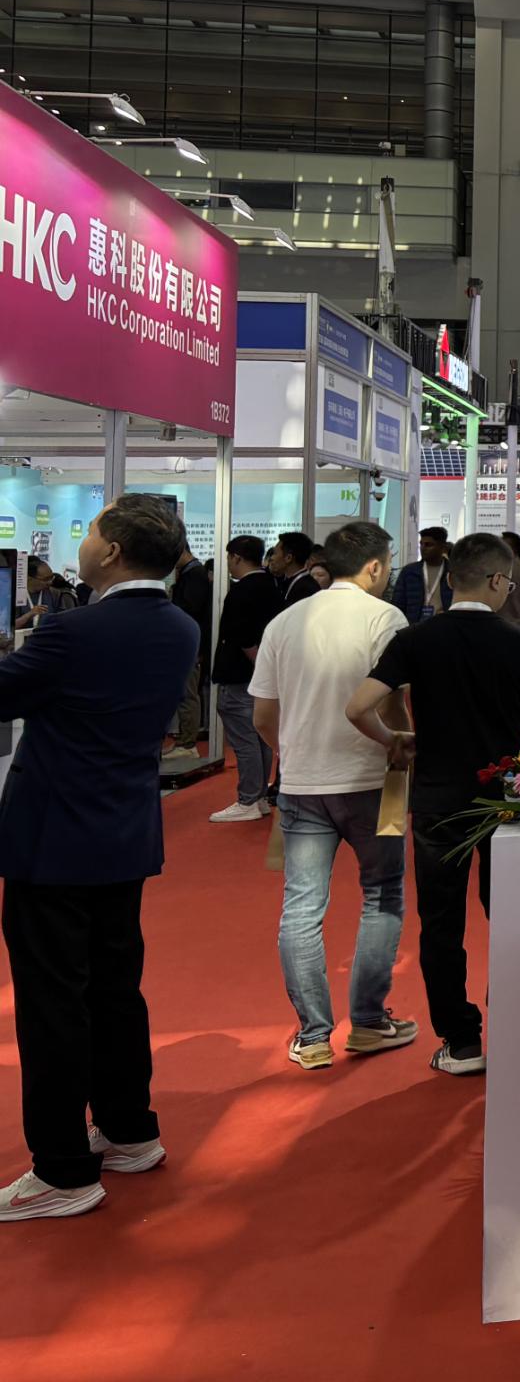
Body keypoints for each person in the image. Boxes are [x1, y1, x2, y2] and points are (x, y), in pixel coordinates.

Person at [0, 496, 198, 1221]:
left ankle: (61, 1170)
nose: (82, 543)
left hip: (53, 841)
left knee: (52, 1003)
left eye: (89, 531)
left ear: (111, 550)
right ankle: (127, 1128)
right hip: (122, 835)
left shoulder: (73, 630)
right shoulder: (178, 625)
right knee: (114, 987)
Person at [347, 532, 520, 1077]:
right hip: (506, 800)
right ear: (496, 580)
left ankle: (461, 1041)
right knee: (511, 916)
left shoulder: (416, 639)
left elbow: (358, 707)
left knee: (441, 924)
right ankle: (517, 1023)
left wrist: (396, 739)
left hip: (437, 800)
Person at [250, 521, 415, 1071]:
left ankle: (313, 1034)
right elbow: (392, 703)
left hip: (301, 785)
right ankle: (368, 1022)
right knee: (382, 894)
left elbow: (263, 715)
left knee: (301, 907)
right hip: (377, 780)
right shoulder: (385, 618)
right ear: (375, 567)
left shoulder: (284, 621)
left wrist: (293, 750)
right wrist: (398, 744)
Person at [207, 536, 285, 823]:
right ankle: (259, 796)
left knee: (244, 739)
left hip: (239, 674)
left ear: (236, 557)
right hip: (259, 677)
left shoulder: (242, 591)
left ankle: (249, 798)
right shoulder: (271, 586)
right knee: (259, 736)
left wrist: (258, 664)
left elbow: (241, 636)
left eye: (229, 557)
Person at [163, 536, 213, 767]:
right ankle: (185, 740)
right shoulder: (191, 574)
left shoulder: (195, 575)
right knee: (186, 693)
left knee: (188, 694)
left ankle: (187, 744)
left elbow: (190, 610)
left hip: (191, 645)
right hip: (189, 643)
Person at [391, 526, 453, 625]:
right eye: (421, 544)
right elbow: (398, 605)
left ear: (442, 547)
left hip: (444, 626)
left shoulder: (453, 572)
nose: (423, 548)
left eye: (428, 545)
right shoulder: (409, 572)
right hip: (414, 627)